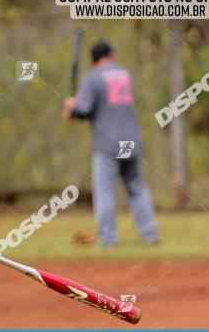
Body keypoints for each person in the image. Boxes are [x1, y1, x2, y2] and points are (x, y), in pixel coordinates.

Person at [63, 40, 160, 247]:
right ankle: (150, 234)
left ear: (93, 60)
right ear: (112, 54)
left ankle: (108, 239)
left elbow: (84, 110)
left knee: (105, 192)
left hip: (107, 143)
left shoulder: (92, 78)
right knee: (137, 188)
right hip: (131, 140)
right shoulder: (126, 75)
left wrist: (71, 107)